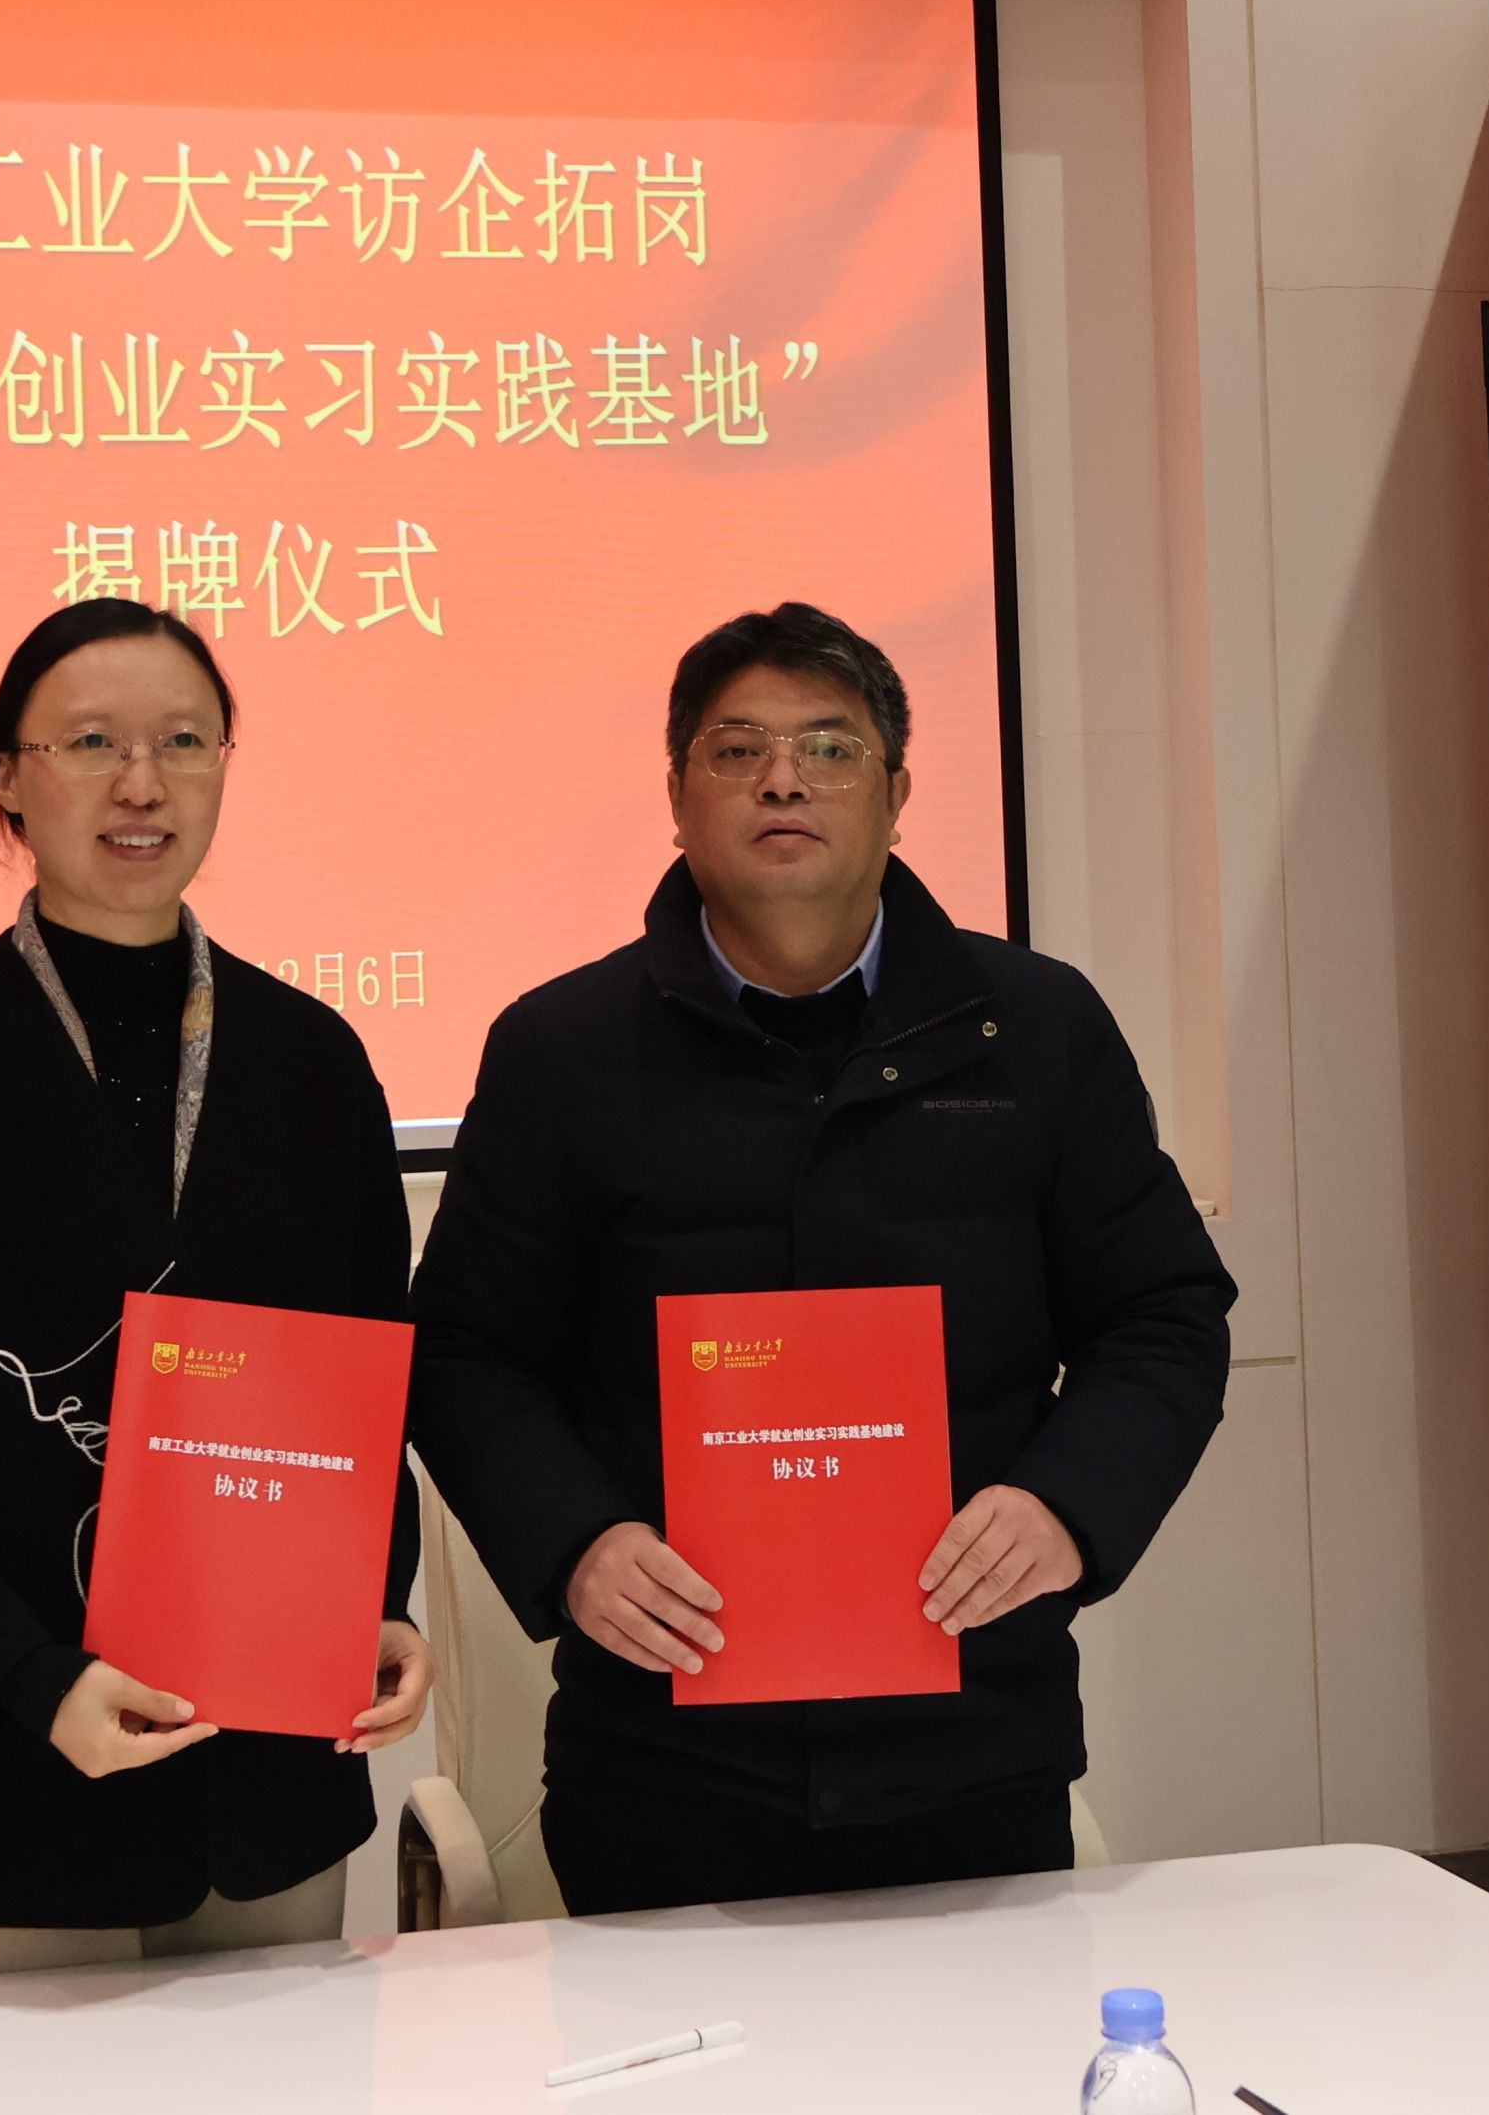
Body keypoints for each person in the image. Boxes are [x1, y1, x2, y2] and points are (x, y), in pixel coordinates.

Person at [408, 600, 1233, 1915]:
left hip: (973, 1739)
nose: (784, 779)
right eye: (738, 750)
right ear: (676, 797)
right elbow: (465, 1351)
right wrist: (577, 1544)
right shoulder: (561, 1049)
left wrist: (1066, 1506)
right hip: (665, 1761)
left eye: (831, 748)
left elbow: (1164, 1313)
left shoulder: (1036, 1026)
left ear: (898, 794)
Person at [0, 597, 429, 1981]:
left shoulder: (313, 1066)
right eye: (93, 742)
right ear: (7, 779)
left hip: (261, 1799)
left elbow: (366, 1403)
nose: (142, 783)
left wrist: (379, 1600)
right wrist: (26, 1682)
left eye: (184, 741)